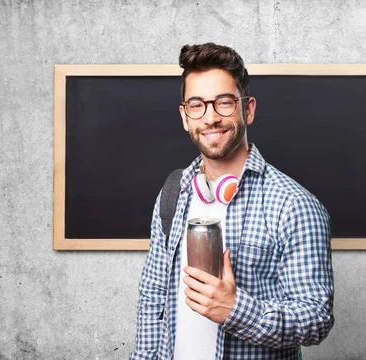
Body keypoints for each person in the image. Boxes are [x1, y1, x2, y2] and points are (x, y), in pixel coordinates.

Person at [131, 43, 334, 360]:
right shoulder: (173, 192)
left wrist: (237, 310)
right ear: (185, 117)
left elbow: (316, 320)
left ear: (248, 109)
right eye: (197, 105)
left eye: (224, 103)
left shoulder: (294, 204)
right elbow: (154, 295)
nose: (210, 118)